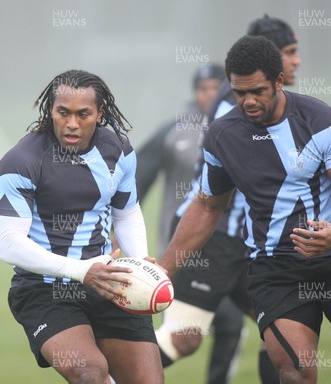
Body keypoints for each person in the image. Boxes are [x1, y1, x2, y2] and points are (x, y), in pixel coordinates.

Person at [159, 34, 331, 384]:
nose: (247, 101)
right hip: (275, 268)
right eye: (238, 92)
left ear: (279, 81)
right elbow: (207, 205)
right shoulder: (222, 135)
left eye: (257, 91)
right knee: (294, 369)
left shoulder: (324, 121)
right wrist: (165, 267)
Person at [0, 69, 164, 384]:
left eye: (83, 114)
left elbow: (126, 212)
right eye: (63, 113)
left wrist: (139, 260)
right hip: (44, 289)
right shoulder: (22, 160)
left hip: (109, 282)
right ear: (50, 112)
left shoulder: (118, 150)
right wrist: (81, 270)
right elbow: (8, 242)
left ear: (100, 114)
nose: (72, 123)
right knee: (89, 374)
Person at [156, 15, 300, 384]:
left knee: (285, 335)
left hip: (246, 244)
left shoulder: (278, 104)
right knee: (185, 338)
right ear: (271, 59)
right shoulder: (236, 107)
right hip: (213, 236)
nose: (297, 61)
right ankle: (104, 375)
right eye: (290, 52)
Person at [136, 63, 248, 384]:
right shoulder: (174, 131)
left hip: (236, 246)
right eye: (203, 89)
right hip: (188, 247)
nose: (209, 95)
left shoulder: (243, 126)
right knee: (193, 333)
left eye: (216, 88)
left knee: (256, 329)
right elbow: (138, 180)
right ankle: (116, 373)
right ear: (194, 92)